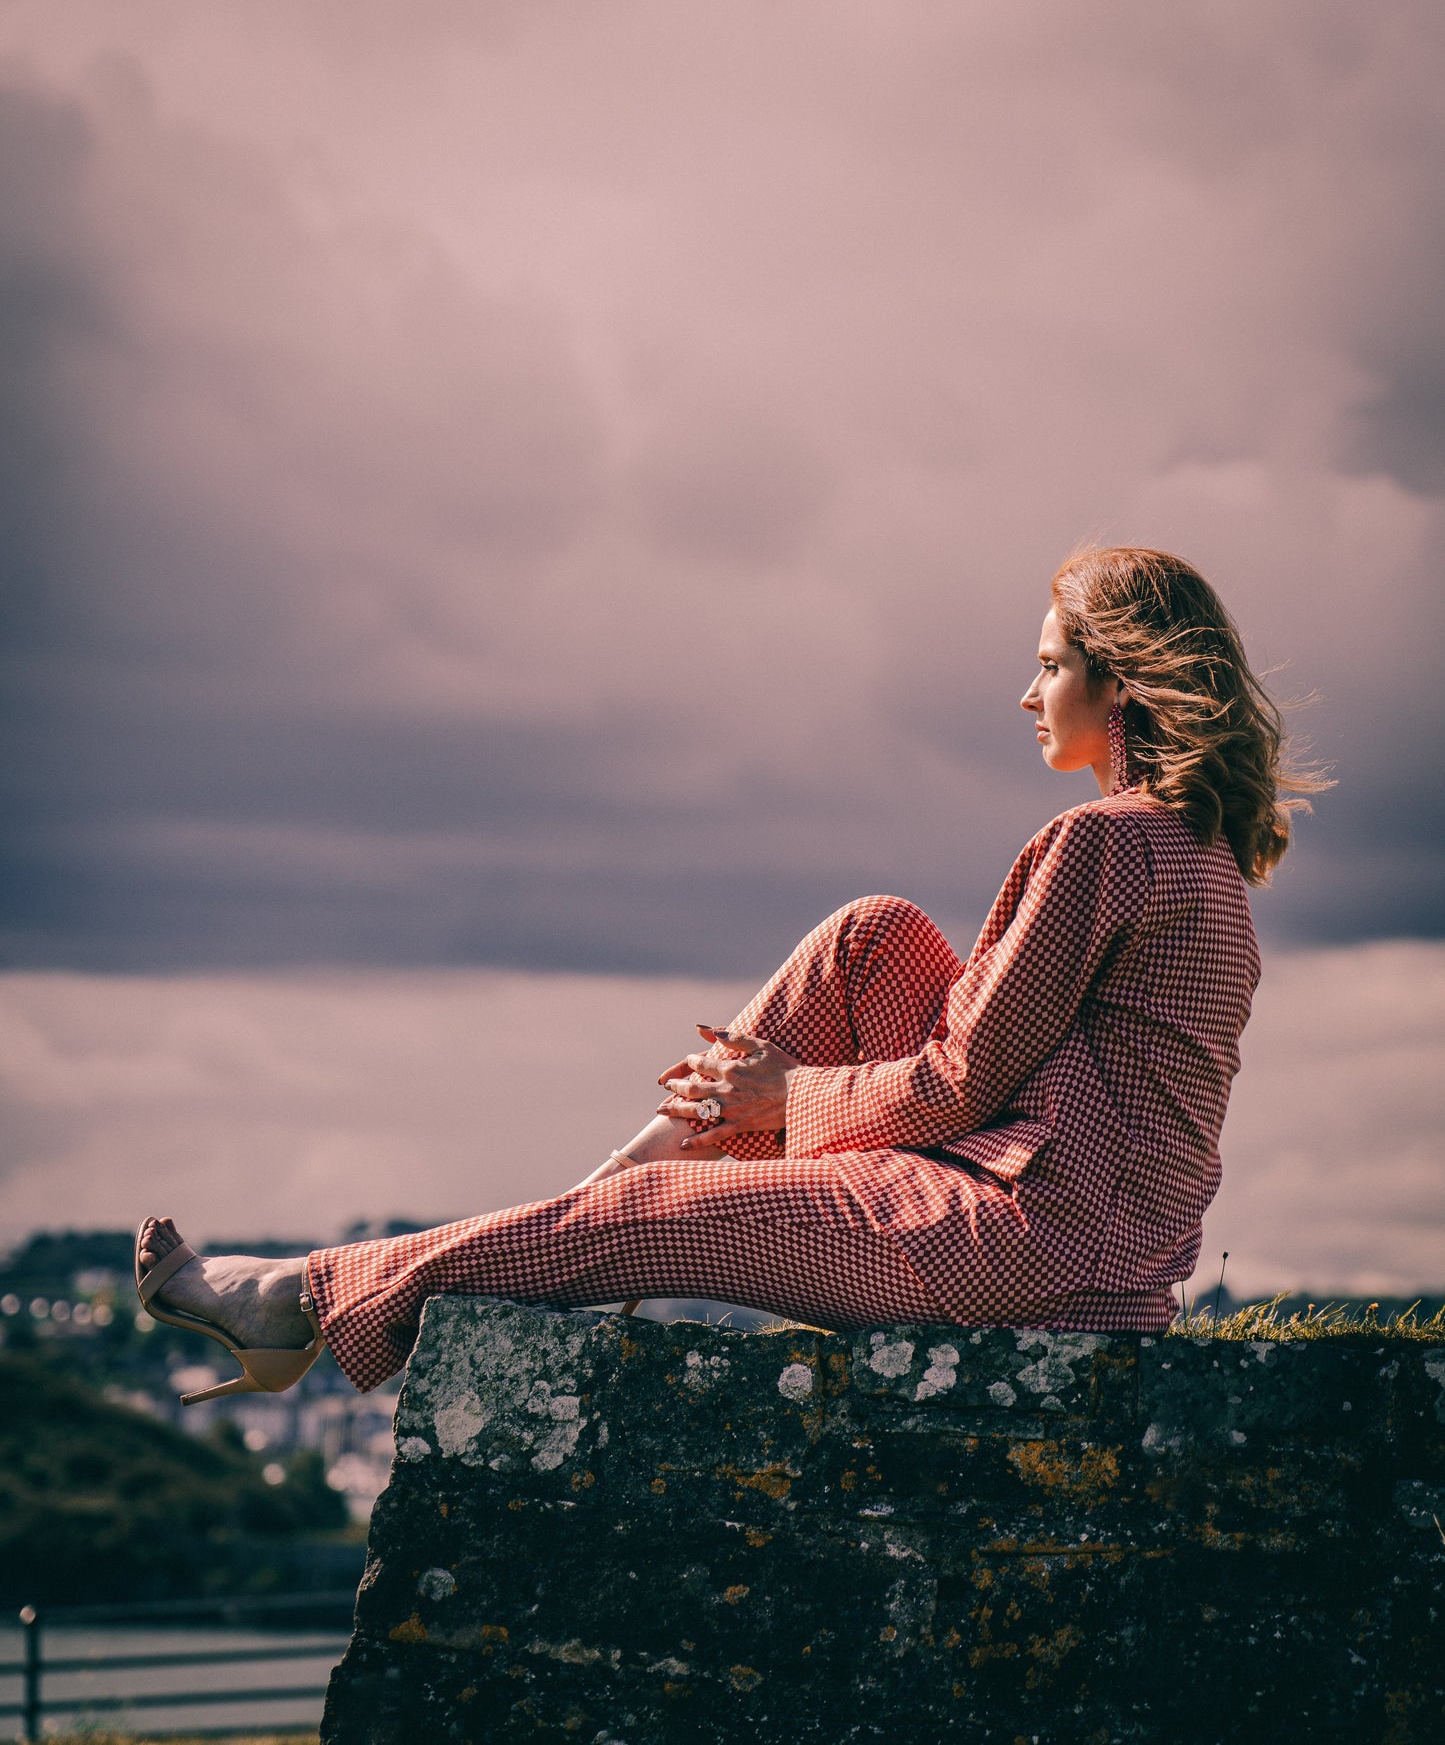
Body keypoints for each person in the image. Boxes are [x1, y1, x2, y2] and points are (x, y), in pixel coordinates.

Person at [135, 546, 1325, 1403]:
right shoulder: (1204, 856)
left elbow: (963, 1082)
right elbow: (1002, 1059)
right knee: (872, 934)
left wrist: (782, 1104)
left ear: (1115, 681)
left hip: (1027, 1250)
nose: (1025, 694)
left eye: (1049, 665)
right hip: (1083, 1229)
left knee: (650, 1221)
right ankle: (597, 1194)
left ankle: (303, 1298)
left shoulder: (1105, 842)